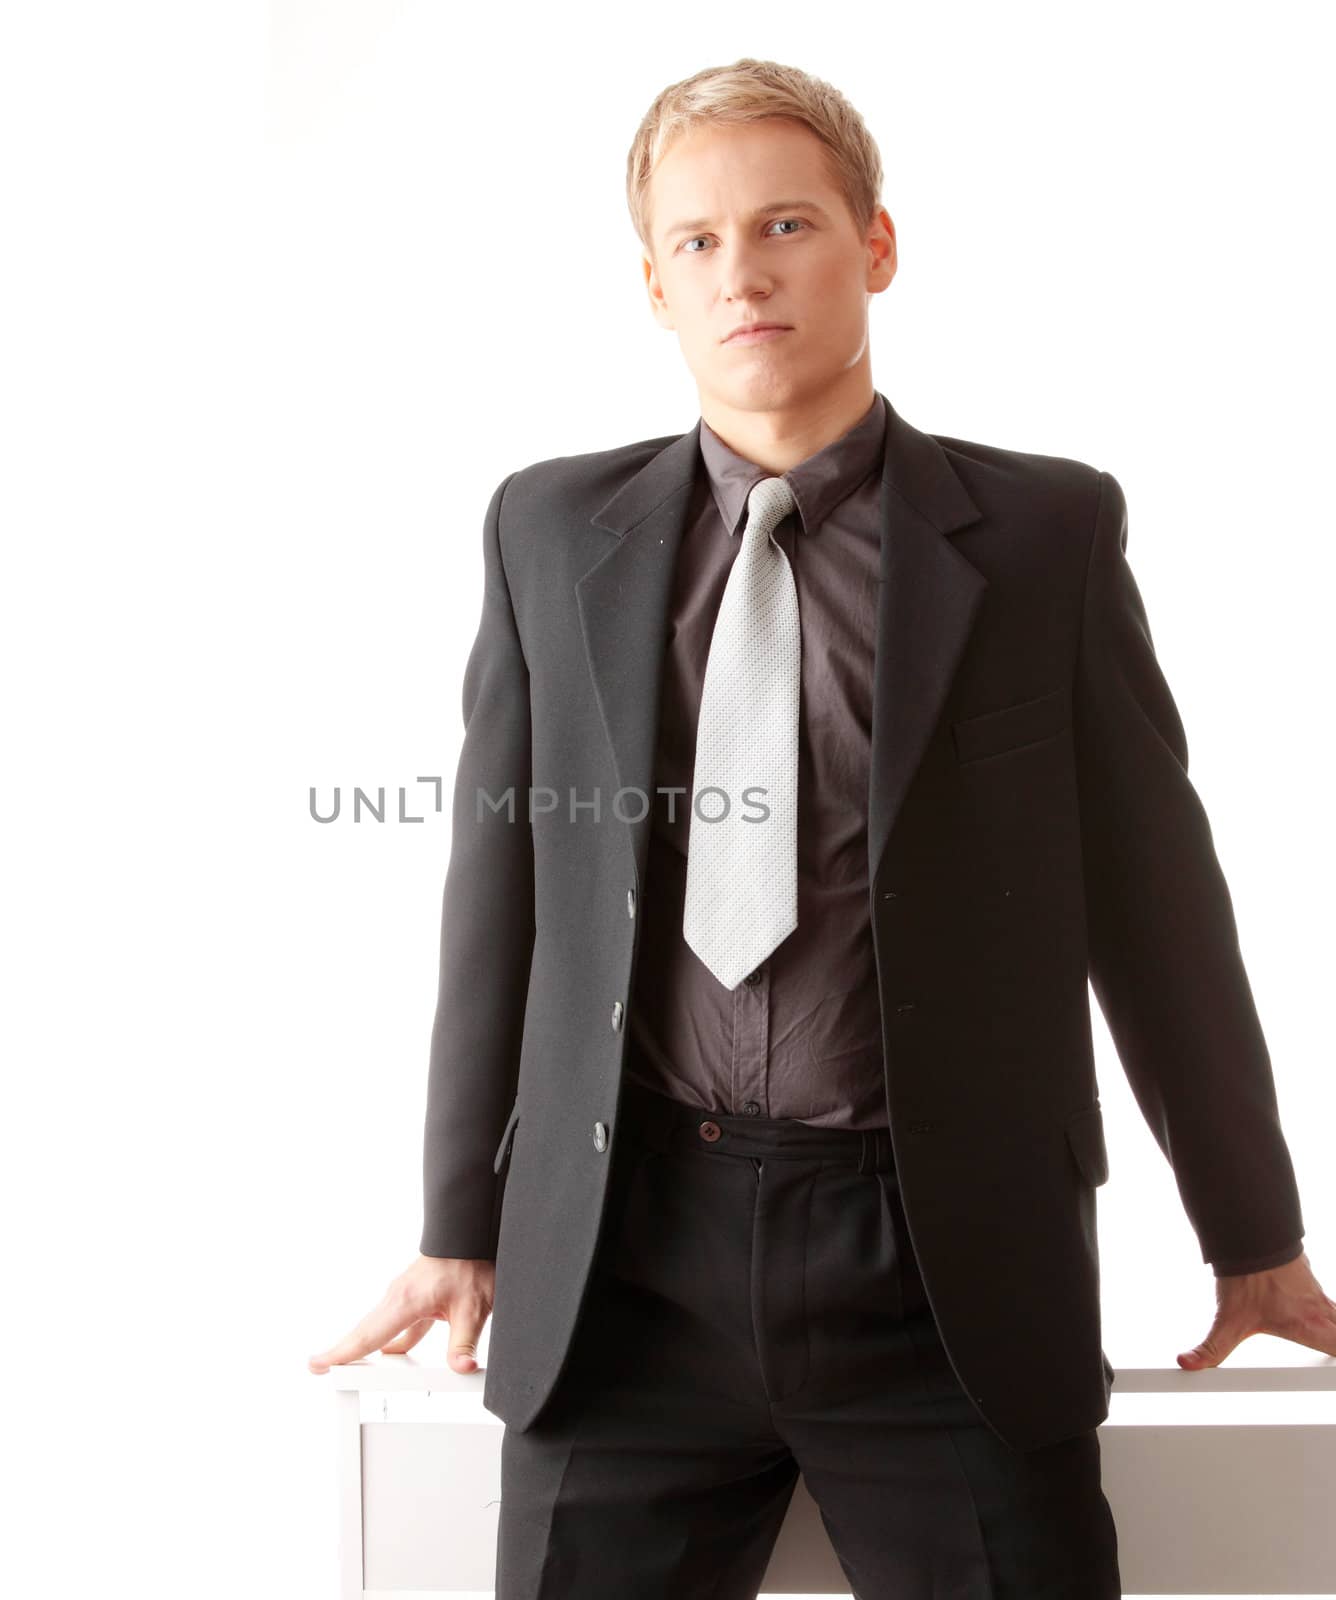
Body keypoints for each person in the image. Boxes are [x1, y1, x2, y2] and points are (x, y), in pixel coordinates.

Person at [309, 56, 1336, 1597]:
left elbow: (1155, 900)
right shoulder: (549, 529)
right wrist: (461, 1220)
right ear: (653, 286)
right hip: (626, 1272)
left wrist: (1250, 1231)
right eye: (699, 243)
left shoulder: (1045, 534)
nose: (744, 273)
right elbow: (501, 894)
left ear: (876, 244)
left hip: (945, 1274)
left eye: (784, 224)